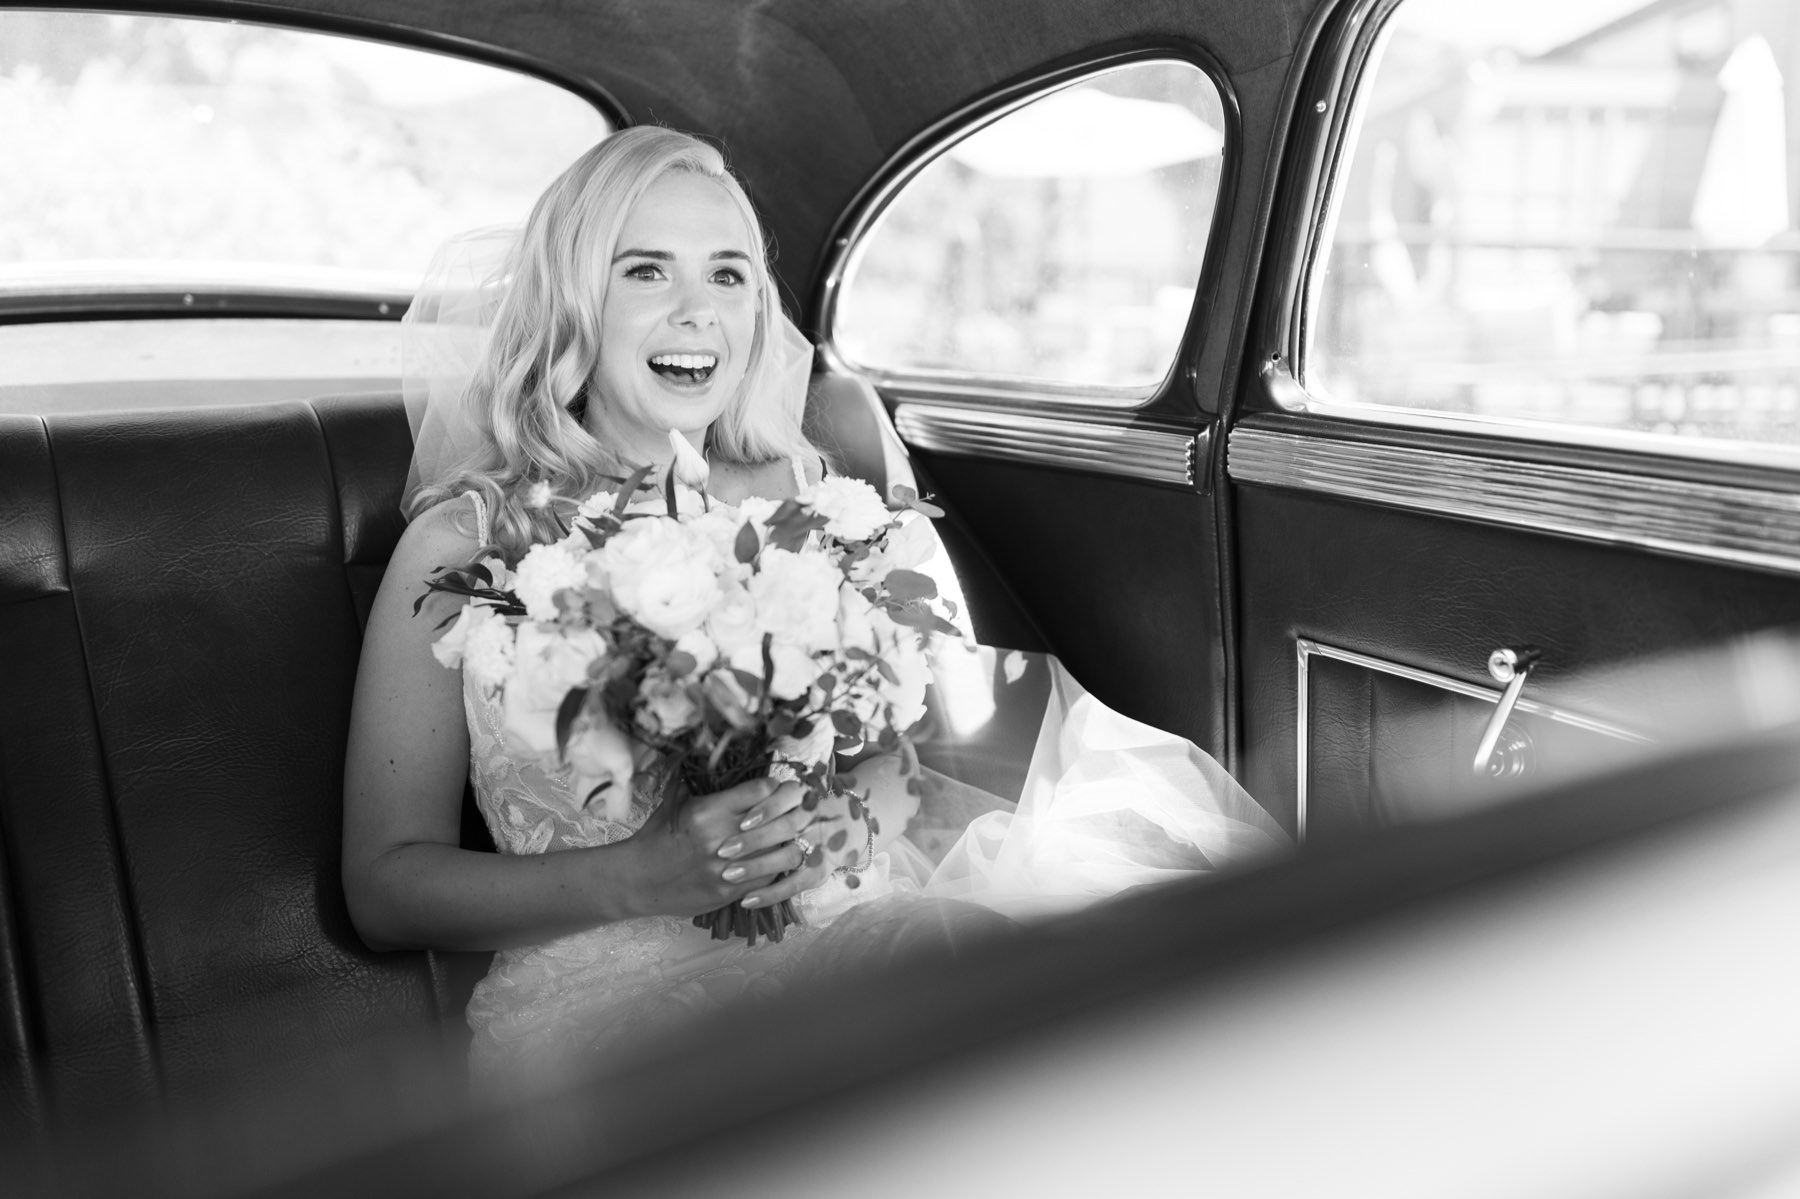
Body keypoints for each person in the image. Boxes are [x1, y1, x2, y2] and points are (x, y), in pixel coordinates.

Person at [343, 126, 1286, 1091]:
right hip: (607, 1012)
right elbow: (384, 885)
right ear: (573, 299)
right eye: (645, 272)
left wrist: (849, 826)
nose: (697, 312)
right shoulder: (467, 546)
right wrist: (640, 875)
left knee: (1074, 1017)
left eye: (727, 275)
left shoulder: (810, 500)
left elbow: (893, 761)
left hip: (845, 928)